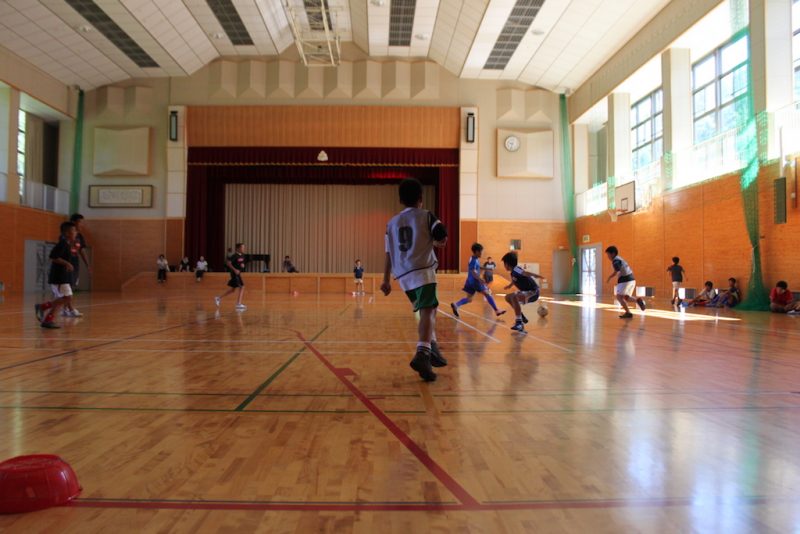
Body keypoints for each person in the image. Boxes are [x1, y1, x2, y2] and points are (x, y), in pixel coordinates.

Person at [382, 178, 448, 382]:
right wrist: (439, 241)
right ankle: (423, 352)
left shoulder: (391, 223)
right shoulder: (426, 215)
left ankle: (431, 347)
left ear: (400, 199)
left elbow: (388, 253)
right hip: (422, 271)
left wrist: (386, 280)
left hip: (403, 276)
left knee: (427, 311)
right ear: (421, 198)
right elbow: (441, 234)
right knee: (428, 311)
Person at [34, 222, 78, 329]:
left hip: (63, 277)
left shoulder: (67, 244)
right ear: (67, 233)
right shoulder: (62, 244)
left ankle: (47, 317)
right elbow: (53, 256)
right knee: (66, 298)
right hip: (59, 277)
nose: (76, 232)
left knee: (65, 298)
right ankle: (43, 309)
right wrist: (67, 263)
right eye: (73, 230)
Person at [450, 243, 506, 318]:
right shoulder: (473, 260)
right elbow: (473, 271)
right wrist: (479, 279)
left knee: (469, 299)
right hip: (475, 281)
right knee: (487, 293)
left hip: (469, 281)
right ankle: (497, 310)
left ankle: (456, 305)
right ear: (477, 251)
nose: (482, 253)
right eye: (481, 251)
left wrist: (487, 268)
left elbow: (478, 267)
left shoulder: (474, 258)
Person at [501, 252, 545, 333]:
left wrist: (536, 275)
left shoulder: (516, 269)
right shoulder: (513, 272)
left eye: (504, 264)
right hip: (526, 291)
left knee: (514, 297)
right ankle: (521, 316)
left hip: (533, 292)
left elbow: (525, 273)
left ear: (507, 264)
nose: (504, 266)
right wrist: (509, 286)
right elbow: (514, 280)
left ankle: (519, 323)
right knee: (508, 297)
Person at [604, 245, 646, 319]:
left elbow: (616, 271)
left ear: (613, 253)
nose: (608, 257)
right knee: (626, 297)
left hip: (625, 280)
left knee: (619, 296)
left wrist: (610, 277)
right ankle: (638, 300)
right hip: (631, 279)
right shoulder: (619, 259)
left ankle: (628, 313)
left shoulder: (615, 261)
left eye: (608, 255)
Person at [63, 213, 90, 318]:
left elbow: (81, 250)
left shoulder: (80, 236)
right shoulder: (65, 237)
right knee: (67, 288)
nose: (81, 224)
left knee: (72, 286)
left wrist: (87, 264)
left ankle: (66, 309)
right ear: (73, 222)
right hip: (67, 264)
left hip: (75, 264)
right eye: (80, 222)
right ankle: (69, 309)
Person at [215, 243, 247, 310]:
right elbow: (228, 263)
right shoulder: (234, 256)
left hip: (238, 274)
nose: (243, 249)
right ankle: (238, 304)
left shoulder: (243, 255)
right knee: (242, 287)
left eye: (244, 247)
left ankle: (218, 298)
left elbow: (241, 263)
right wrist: (235, 270)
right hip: (234, 274)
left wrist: (242, 265)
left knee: (233, 290)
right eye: (242, 247)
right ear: (238, 248)